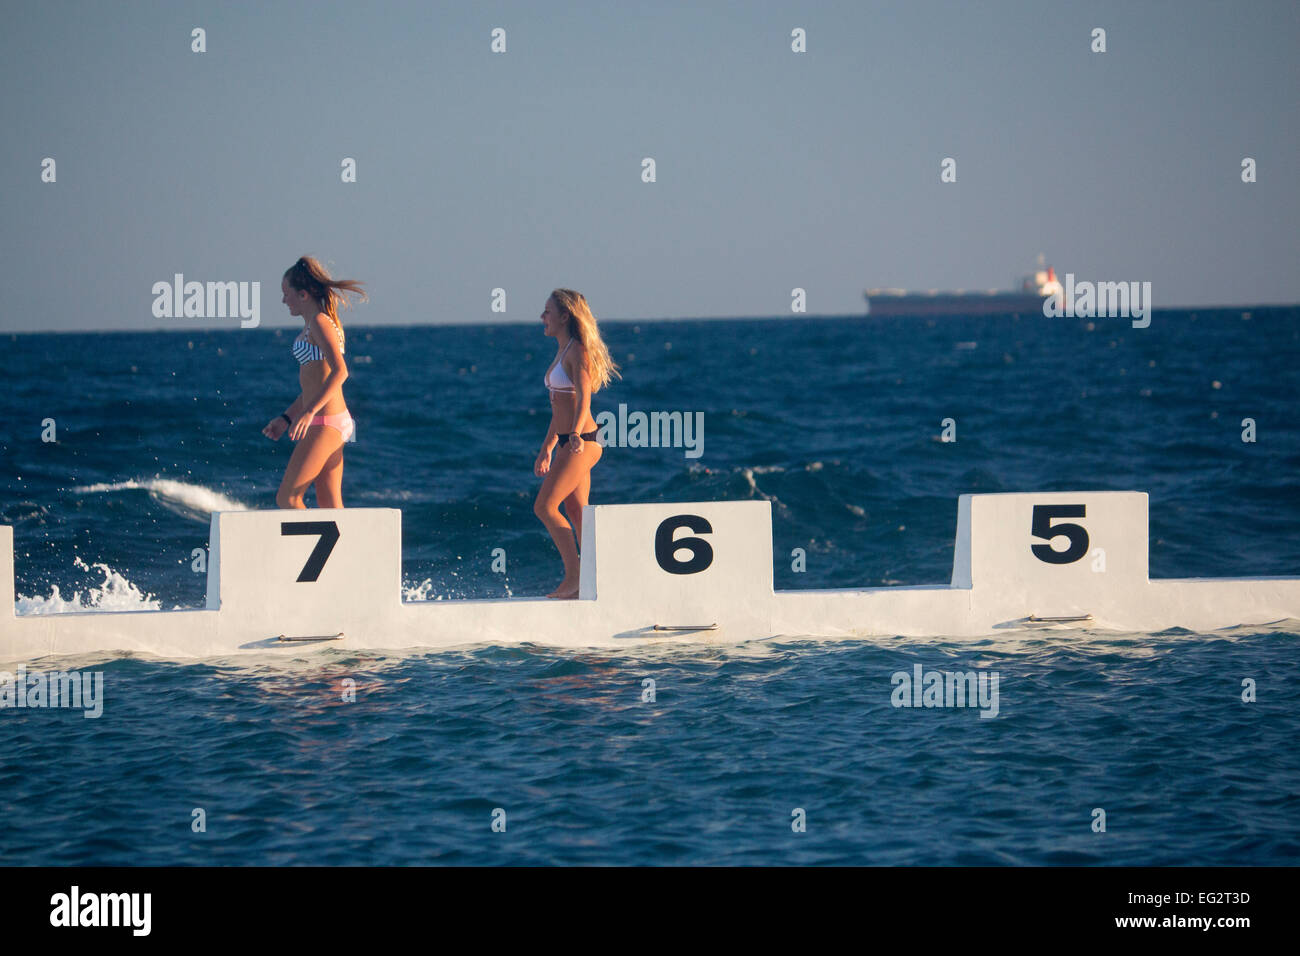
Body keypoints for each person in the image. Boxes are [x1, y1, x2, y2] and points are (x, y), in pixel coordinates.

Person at [534, 289, 621, 598]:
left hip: (582, 441)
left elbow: (584, 397)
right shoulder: (563, 349)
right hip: (570, 440)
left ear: (564, 316)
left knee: (545, 506)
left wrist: (571, 436)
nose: (542, 317)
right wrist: (548, 445)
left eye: (547, 312)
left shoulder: (577, 352)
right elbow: (560, 408)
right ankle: (597, 577)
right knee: (576, 509)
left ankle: (574, 578)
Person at [262, 256, 365, 508]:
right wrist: (286, 418)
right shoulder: (313, 324)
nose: (284, 300)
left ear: (304, 295)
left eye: (287, 293)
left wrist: (309, 413)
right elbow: (314, 385)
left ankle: (306, 548)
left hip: (325, 423)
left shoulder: (319, 322)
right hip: (331, 421)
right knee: (329, 504)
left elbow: (340, 372)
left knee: (288, 498)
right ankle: (347, 549)